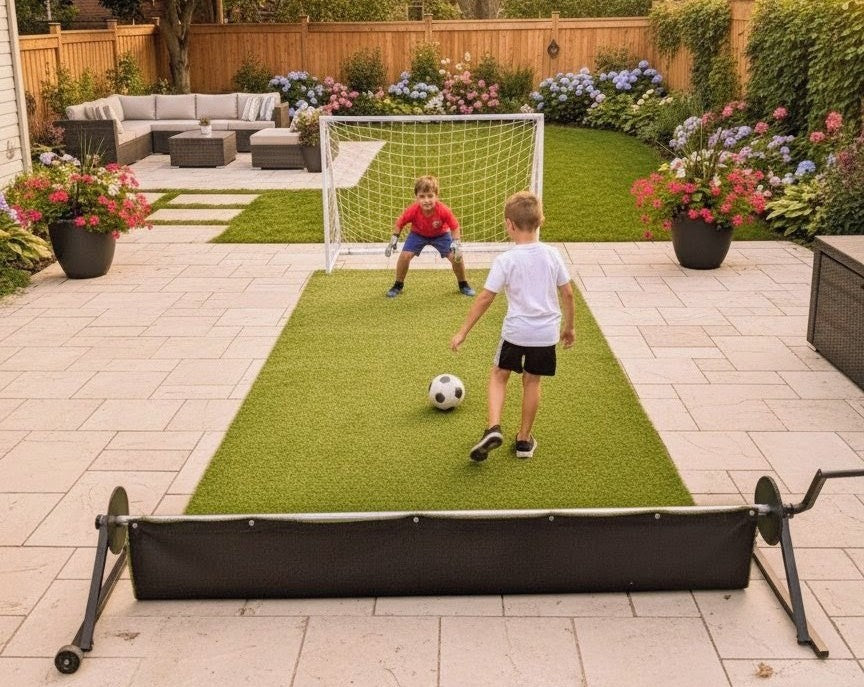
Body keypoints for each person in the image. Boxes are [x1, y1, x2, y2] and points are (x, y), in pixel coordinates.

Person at [450, 191, 575, 461]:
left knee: (499, 374)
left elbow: (485, 297)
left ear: (509, 224)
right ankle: (523, 441)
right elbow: (568, 294)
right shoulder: (553, 255)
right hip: (545, 335)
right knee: (532, 381)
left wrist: (462, 332)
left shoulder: (506, 260)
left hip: (517, 332)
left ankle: (493, 427)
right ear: (540, 221)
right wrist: (570, 327)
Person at [385, 175, 476, 298]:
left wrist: (456, 243)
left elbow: (454, 227)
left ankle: (463, 284)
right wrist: (394, 238)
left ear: (436, 196)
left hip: (441, 235)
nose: (426, 200)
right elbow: (400, 222)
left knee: (456, 257)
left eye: (430, 196)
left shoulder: (443, 210)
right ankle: (398, 285)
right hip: (418, 234)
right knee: (404, 256)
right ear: (416, 197)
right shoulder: (413, 210)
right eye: (422, 196)